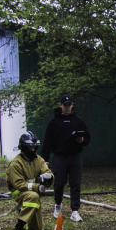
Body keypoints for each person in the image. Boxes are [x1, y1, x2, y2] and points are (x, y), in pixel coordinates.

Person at [42, 94, 90, 222]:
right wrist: (45, 159)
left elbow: (87, 138)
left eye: (69, 105)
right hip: (60, 156)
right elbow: (47, 141)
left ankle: (75, 210)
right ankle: (58, 205)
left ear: (72, 105)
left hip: (75, 156)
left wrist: (82, 140)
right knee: (59, 183)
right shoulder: (53, 122)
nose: (67, 107)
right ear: (60, 105)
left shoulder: (78, 121)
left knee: (75, 183)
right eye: (65, 105)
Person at [6, 132, 54, 230]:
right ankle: (19, 226)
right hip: (19, 192)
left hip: (33, 192)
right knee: (33, 197)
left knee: (37, 229)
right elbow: (18, 184)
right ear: (23, 147)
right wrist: (37, 186)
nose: (32, 150)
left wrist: (48, 177)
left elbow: (47, 171)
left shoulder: (39, 160)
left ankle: (24, 213)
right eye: (30, 147)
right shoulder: (16, 164)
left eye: (34, 147)